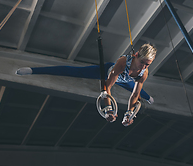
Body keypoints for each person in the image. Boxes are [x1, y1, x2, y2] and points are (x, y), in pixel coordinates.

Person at [16, 43, 157, 126]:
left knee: (139, 92)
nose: (143, 67)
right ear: (136, 55)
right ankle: (33, 70)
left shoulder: (144, 73)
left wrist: (129, 114)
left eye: (147, 64)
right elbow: (107, 87)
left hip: (125, 81)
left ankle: (149, 98)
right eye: (142, 63)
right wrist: (108, 109)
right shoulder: (122, 62)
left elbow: (135, 95)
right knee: (75, 72)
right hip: (107, 73)